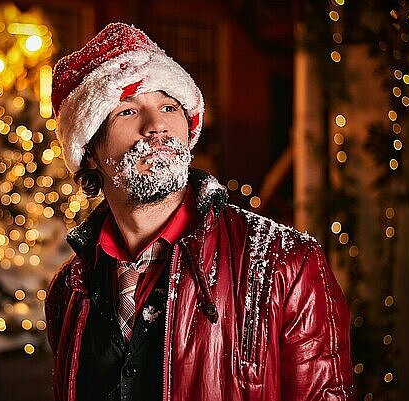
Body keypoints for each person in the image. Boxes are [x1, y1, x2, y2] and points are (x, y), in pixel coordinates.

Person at [45, 22, 353, 401]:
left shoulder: (285, 265)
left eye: (169, 106)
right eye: (127, 110)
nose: (156, 125)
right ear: (88, 152)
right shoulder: (68, 290)